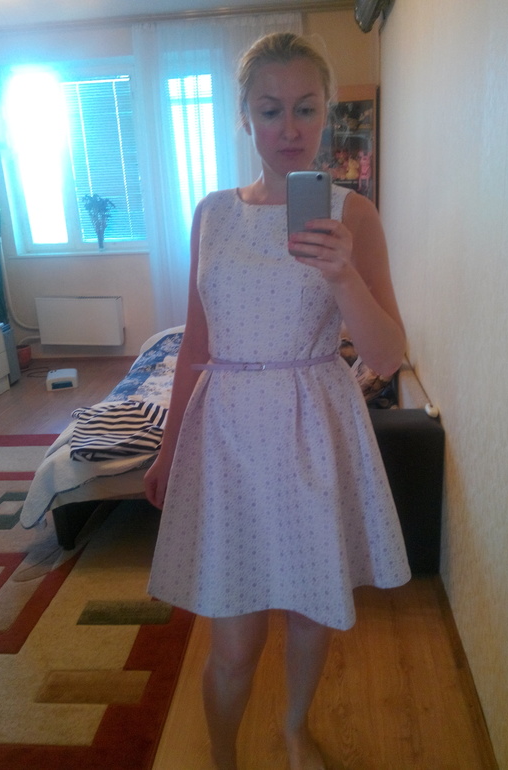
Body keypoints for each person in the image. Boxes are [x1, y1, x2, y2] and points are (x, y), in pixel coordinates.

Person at [145, 32, 411, 770]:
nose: (289, 128)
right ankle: (221, 754)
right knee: (233, 642)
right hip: (225, 435)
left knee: (308, 609)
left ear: (327, 112)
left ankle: (294, 730)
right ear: (245, 117)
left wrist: (342, 275)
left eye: (305, 108)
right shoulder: (210, 213)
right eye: (270, 110)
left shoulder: (353, 215)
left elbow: (386, 357)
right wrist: (168, 450)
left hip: (311, 429)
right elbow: (195, 344)